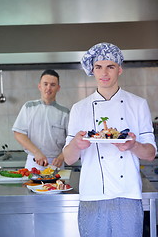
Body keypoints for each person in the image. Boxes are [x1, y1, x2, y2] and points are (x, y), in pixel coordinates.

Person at [63, 43, 157, 237]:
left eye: (110, 66)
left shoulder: (138, 105)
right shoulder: (79, 108)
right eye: (98, 67)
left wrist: (134, 145)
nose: (104, 73)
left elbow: (150, 153)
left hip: (128, 195)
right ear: (92, 70)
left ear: (120, 69)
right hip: (92, 196)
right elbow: (69, 158)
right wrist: (76, 144)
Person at [12, 69, 69, 170]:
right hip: (33, 162)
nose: (48, 88)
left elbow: (71, 139)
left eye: (53, 85)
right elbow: (19, 133)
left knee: (57, 186)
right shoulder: (28, 107)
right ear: (39, 86)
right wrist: (36, 152)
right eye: (45, 84)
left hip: (57, 164)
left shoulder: (65, 112)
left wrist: (62, 156)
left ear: (58, 88)